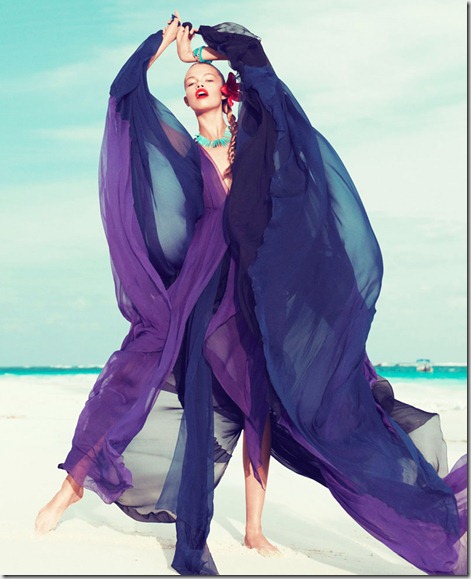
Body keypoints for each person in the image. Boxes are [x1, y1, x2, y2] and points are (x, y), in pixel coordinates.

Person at [35, 11, 467, 576]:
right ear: (186, 101)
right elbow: (124, 96)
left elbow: (262, 70)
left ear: (224, 88)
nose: (197, 85)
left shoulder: (257, 141)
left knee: (262, 401)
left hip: (258, 289)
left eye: (205, 79)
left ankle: (257, 527)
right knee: (137, 377)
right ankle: (69, 489)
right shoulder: (184, 153)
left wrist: (204, 51)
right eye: (189, 84)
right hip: (201, 291)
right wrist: (161, 45)